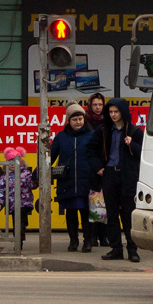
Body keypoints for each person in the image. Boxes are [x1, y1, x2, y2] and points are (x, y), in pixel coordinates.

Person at [86, 97, 143, 262]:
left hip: (128, 176)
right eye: (110, 112)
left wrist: (132, 144)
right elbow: (90, 149)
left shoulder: (134, 132)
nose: (112, 115)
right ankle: (116, 248)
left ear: (123, 112)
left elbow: (143, 153)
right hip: (109, 174)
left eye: (116, 112)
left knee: (128, 214)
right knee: (111, 213)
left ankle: (132, 249)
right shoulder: (104, 131)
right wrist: (99, 167)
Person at [51, 103, 95, 251]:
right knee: (70, 212)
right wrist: (37, 174)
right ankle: (73, 240)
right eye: (75, 119)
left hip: (87, 180)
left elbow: (99, 156)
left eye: (80, 119)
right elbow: (49, 156)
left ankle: (88, 241)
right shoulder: (61, 137)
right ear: (68, 121)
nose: (78, 122)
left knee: (86, 212)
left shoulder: (92, 134)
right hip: (67, 181)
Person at [0, 146, 36, 248]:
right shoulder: (4, 176)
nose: (12, 164)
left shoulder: (25, 174)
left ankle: (20, 237)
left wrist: (34, 180)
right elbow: (1, 190)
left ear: (20, 162)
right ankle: (18, 241)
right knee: (16, 222)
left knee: (20, 220)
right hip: (12, 204)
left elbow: (32, 185)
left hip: (24, 202)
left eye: (15, 161)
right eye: (10, 161)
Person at [83, 92, 109, 247]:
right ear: (90, 106)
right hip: (91, 167)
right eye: (95, 105)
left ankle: (103, 235)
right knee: (93, 202)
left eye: (100, 105)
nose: (98, 108)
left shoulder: (107, 122)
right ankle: (92, 236)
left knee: (104, 202)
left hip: (105, 167)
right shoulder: (86, 122)